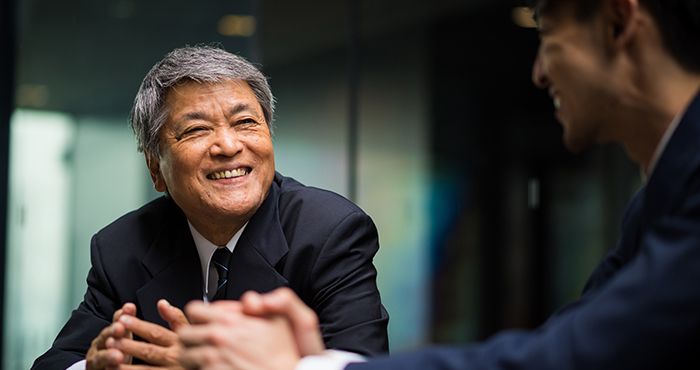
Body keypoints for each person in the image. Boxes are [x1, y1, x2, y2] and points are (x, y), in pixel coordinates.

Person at [176, 0, 700, 369]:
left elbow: (574, 357)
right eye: (197, 130)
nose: (539, 72)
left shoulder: (332, 227)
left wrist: (305, 369)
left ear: (618, 18)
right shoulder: (656, 199)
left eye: (547, 33)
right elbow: (577, 339)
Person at [30, 45, 389, 370]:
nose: (229, 145)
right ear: (156, 169)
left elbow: (361, 363)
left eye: (246, 122)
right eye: (197, 129)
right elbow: (57, 363)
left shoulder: (330, 231)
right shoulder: (123, 247)